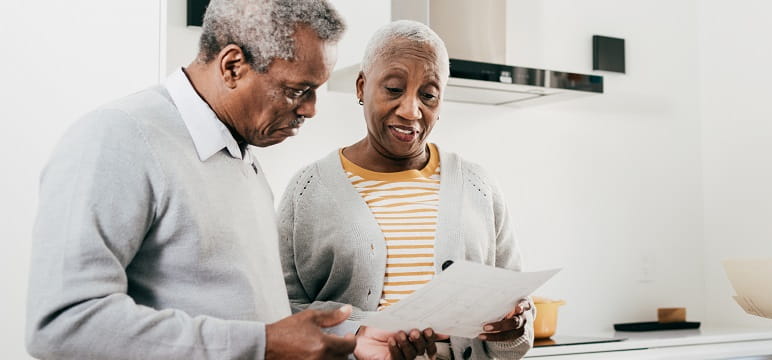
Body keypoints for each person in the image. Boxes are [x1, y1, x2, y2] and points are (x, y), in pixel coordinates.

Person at [24, 0, 374, 358]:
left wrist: (351, 336)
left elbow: (253, 317)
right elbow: (64, 323)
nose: (311, 109)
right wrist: (264, 344)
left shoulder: (241, 158)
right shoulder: (118, 137)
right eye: (296, 90)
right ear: (233, 67)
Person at [278, 20, 534, 360]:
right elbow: (280, 313)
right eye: (394, 89)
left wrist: (514, 327)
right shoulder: (308, 190)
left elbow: (516, 320)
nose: (411, 110)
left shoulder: (479, 186)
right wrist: (357, 335)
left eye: (428, 95)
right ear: (362, 87)